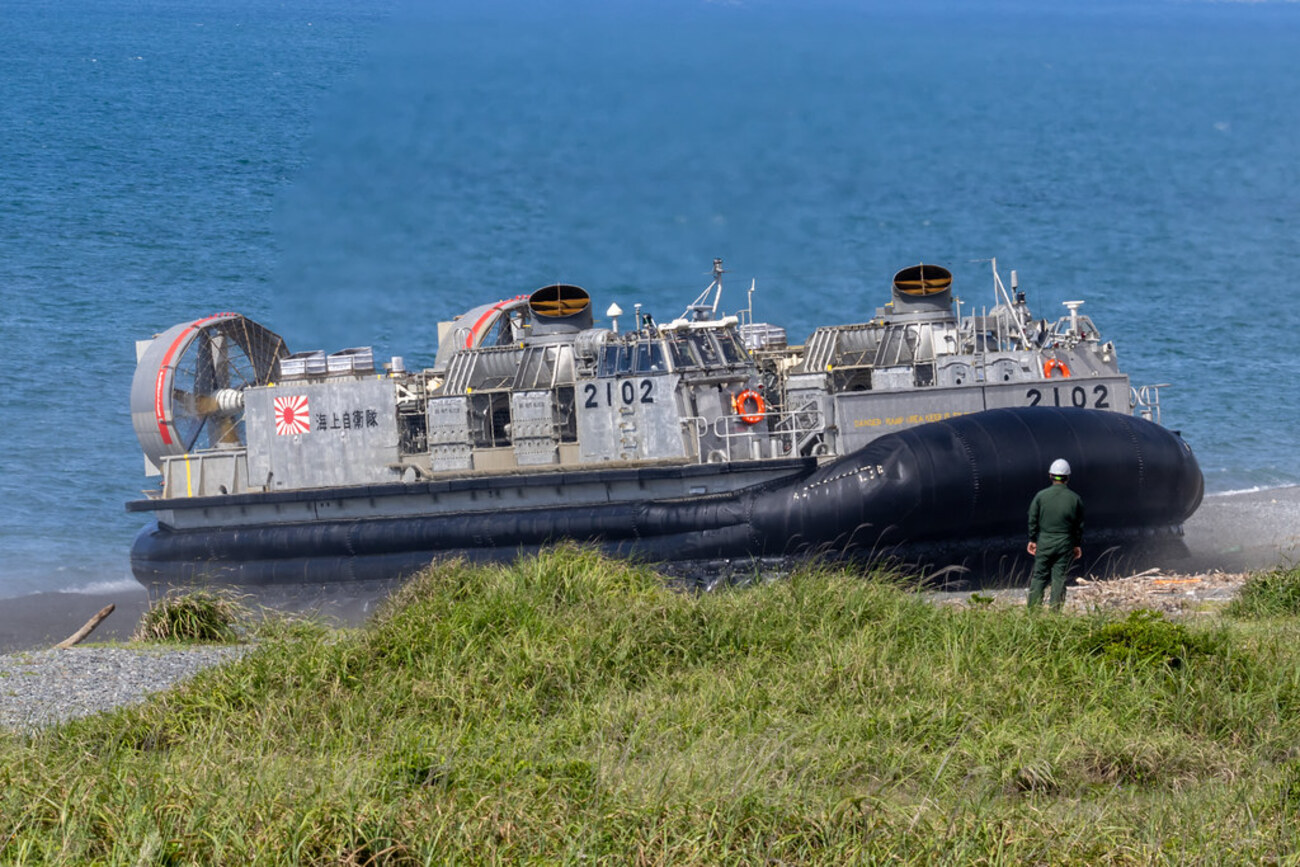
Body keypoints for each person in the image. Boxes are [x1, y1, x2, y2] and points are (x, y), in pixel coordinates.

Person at [1026, 458, 1084, 610]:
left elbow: (1032, 518)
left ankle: (1033, 612)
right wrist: (1077, 544)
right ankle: (1055, 615)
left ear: (1050, 476)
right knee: (1059, 579)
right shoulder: (1075, 499)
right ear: (1068, 477)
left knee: (1039, 577)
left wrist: (1032, 539)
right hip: (1065, 543)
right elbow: (1079, 526)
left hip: (1045, 541)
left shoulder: (1040, 496)